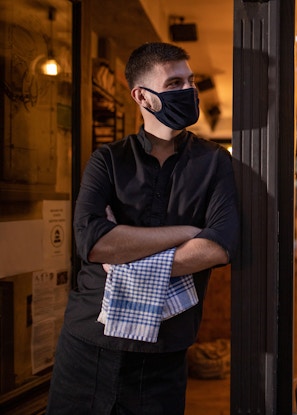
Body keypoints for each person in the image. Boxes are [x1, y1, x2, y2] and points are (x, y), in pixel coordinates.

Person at [46, 42, 239, 414]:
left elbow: (219, 246)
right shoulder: (108, 160)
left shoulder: (215, 163)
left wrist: (125, 254)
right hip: (89, 341)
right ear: (142, 97)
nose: (188, 91)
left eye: (190, 80)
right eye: (174, 84)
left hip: (165, 347)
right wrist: (186, 232)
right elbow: (94, 243)